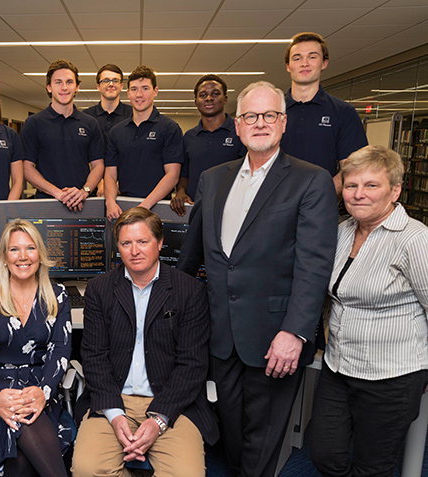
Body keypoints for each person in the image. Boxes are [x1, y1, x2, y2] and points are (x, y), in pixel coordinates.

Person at [178, 81, 338, 477]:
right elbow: (192, 254)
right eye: (251, 115)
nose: (260, 123)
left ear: (283, 123)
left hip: (275, 337)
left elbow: (313, 264)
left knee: (262, 441)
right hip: (221, 333)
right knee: (230, 431)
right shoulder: (213, 178)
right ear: (238, 125)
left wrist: (296, 333)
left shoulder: (311, 180)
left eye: (269, 115)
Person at [72, 207, 219, 477]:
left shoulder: (190, 291)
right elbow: (94, 357)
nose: (134, 251)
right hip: (113, 399)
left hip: (172, 402)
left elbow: (192, 364)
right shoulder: (99, 289)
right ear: (118, 247)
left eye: (143, 241)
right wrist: (115, 416)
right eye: (126, 243)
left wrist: (158, 420)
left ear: (160, 243)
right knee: (87, 470)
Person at [309, 145, 428, 477]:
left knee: (373, 466)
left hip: (392, 375)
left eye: (371, 185)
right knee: (323, 453)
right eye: (351, 185)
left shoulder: (414, 239)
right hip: (339, 366)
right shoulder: (341, 230)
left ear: (395, 190)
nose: (358, 194)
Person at [0, 219, 72, 477]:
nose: (23, 256)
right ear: (4, 256)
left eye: (30, 248)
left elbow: (60, 351)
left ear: (40, 254)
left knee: (21, 456)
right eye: (14, 249)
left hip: (38, 385)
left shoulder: (58, 295)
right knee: (26, 441)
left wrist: (44, 391)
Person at [281, 32, 368, 194]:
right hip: (272, 206)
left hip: (320, 206)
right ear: (288, 66)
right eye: (297, 58)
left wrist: (321, 194)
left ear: (324, 63)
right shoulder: (272, 111)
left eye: (312, 57)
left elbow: (353, 168)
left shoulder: (343, 112)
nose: (304, 63)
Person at [22, 59, 105, 212]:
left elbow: (98, 165)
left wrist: (84, 191)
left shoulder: (90, 123)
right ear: (49, 87)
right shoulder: (34, 123)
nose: (64, 87)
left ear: (77, 87)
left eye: (69, 82)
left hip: (84, 204)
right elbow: (26, 167)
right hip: (47, 203)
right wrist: (58, 194)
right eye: (58, 82)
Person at [104, 65, 183, 219]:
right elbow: (110, 175)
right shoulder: (116, 131)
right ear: (127, 93)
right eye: (134, 89)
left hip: (157, 207)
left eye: (145, 88)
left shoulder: (169, 128)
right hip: (123, 206)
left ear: (155, 91)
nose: (139, 94)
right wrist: (110, 202)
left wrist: (144, 207)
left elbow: (172, 175)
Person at [170, 74, 246, 216]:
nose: (209, 98)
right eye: (203, 95)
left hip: (232, 210)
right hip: (195, 209)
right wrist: (181, 192)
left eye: (215, 93)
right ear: (196, 101)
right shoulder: (189, 137)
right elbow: (184, 173)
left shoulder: (241, 132)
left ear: (225, 99)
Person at [83, 64, 133, 143]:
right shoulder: (86, 116)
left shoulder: (132, 115)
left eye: (115, 81)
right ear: (98, 87)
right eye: (106, 81)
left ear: (121, 86)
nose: (111, 84)